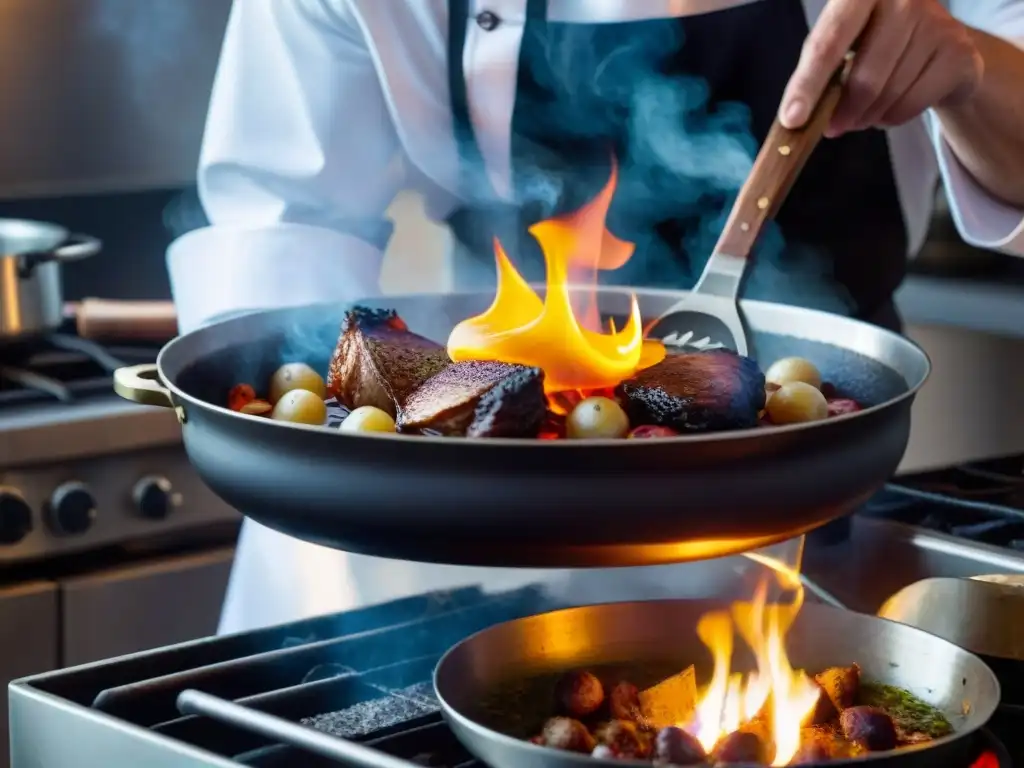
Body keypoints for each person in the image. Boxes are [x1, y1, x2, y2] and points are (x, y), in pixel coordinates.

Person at [168, 0, 1024, 635]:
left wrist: (976, 68)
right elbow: (283, 225)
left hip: (805, 517)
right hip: (439, 529)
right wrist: (331, 443)